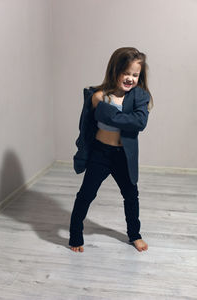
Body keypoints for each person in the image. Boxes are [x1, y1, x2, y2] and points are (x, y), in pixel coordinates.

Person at [69, 47, 153, 253]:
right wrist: (121, 116)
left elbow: (139, 122)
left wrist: (107, 111)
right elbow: (86, 125)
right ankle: (75, 234)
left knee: (131, 195)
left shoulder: (138, 96)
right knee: (86, 194)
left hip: (123, 156)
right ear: (114, 70)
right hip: (100, 153)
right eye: (126, 73)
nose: (130, 78)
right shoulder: (98, 95)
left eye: (135, 75)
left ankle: (135, 234)